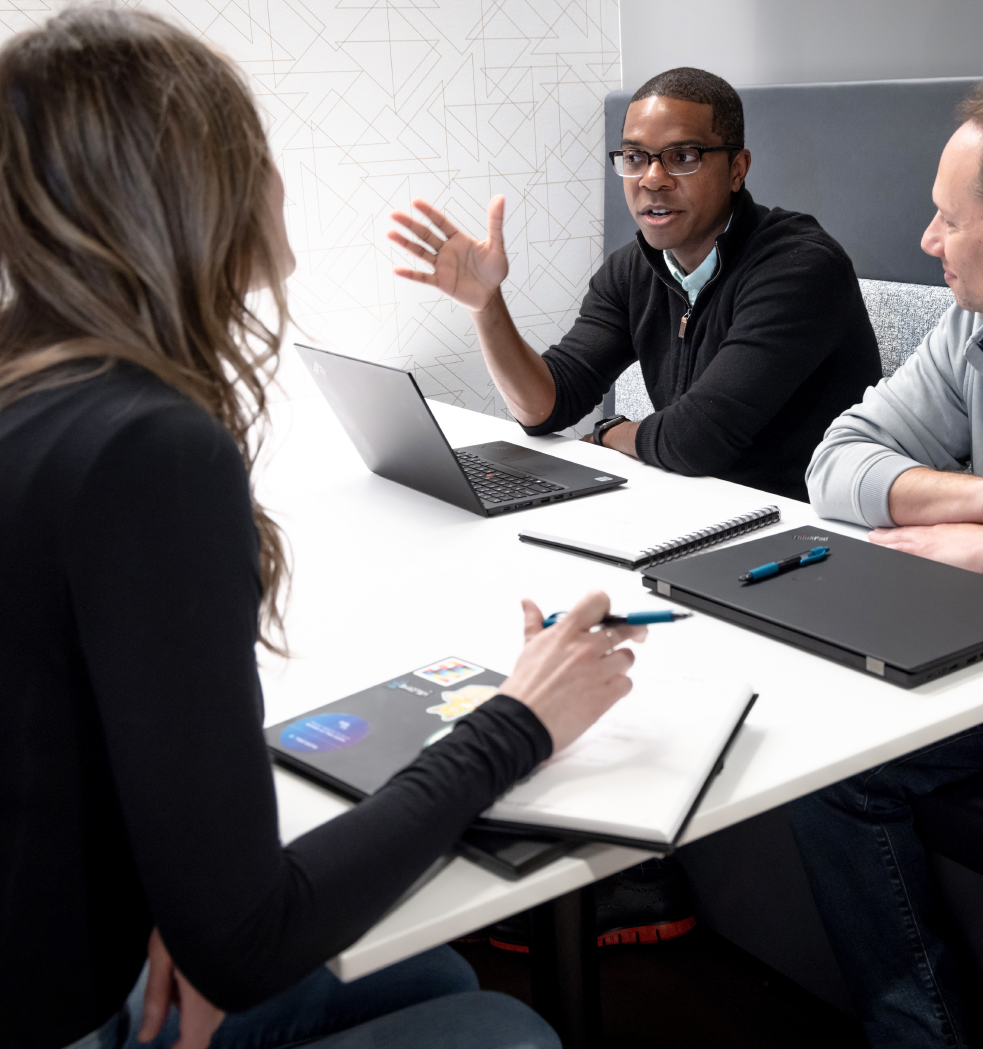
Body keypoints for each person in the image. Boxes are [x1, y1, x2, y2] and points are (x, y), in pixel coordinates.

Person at [0, 9, 650, 1049]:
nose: (277, 177)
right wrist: (520, 718)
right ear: (192, 187)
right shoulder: (147, 447)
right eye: (253, 148)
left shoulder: (35, 387)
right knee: (507, 1033)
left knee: (429, 962)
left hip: (65, 947)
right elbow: (251, 940)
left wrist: (173, 891)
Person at [792, 71, 983, 1049]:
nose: (926, 241)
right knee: (828, 762)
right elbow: (838, 462)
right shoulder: (976, 330)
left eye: (949, 219)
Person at [386, 67, 882, 503]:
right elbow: (546, 406)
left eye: (683, 156)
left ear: (737, 169)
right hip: (686, 504)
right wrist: (486, 304)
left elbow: (695, 441)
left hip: (796, 527)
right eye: (635, 157)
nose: (652, 178)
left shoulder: (799, 267)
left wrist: (609, 435)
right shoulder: (633, 269)